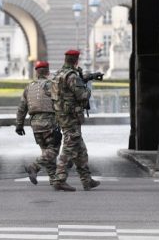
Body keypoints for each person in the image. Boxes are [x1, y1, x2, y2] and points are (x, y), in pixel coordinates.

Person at [50, 50, 100, 192]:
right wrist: (87, 87)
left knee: (80, 150)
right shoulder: (71, 76)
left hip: (62, 115)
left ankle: (86, 180)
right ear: (76, 60)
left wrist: (83, 78)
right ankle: (59, 179)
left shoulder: (58, 74)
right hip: (71, 117)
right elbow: (82, 96)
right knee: (69, 147)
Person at [15, 61, 61, 186]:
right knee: (53, 150)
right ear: (47, 71)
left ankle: (54, 179)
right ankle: (34, 166)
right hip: (49, 122)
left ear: (36, 72)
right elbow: (60, 103)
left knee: (46, 151)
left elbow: (22, 107)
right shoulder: (51, 85)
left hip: (35, 124)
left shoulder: (29, 87)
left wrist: (19, 125)